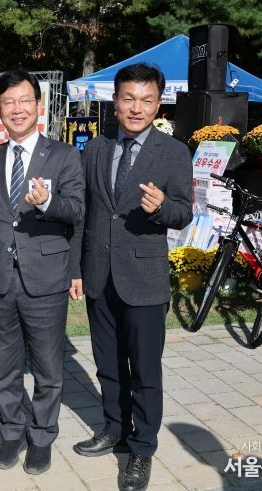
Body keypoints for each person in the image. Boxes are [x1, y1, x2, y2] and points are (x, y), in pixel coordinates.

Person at [69, 63, 192, 491]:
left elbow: (184, 211)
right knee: (107, 366)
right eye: (128, 98)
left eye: (146, 100)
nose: (136, 108)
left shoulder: (173, 152)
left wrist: (162, 208)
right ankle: (114, 427)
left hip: (143, 278)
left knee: (144, 370)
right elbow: (84, 214)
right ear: (115, 101)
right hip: (100, 276)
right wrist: (77, 271)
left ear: (158, 104)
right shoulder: (97, 148)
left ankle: (142, 449)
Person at [0, 70, 84, 475]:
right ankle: (10, 432)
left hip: (46, 278)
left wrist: (48, 202)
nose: (17, 109)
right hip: (1, 278)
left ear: (39, 106)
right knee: (3, 364)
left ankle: (41, 437)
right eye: (8, 103)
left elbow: (76, 212)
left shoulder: (64, 156)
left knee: (48, 367)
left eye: (24, 101)